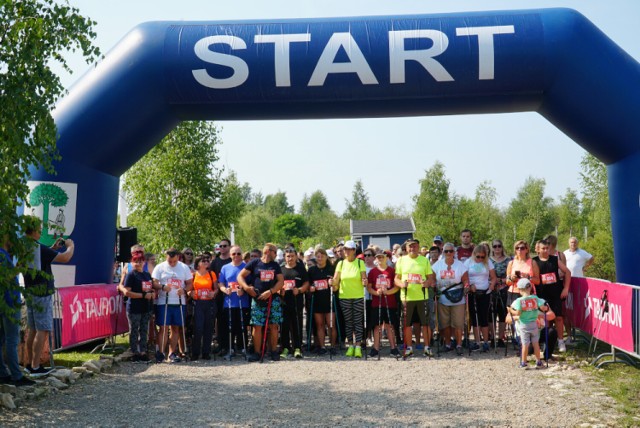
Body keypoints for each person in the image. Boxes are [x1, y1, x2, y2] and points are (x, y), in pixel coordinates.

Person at [23, 216, 74, 377]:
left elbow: (41, 257)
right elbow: (65, 257)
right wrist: (71, 246)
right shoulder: (39, 247)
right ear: (34, 230)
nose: (41, 231)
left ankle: (29, 365)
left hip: (30, 290)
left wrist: (51, 248)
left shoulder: (25, 246)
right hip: (42, 292)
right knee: (43, 329)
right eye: (39, 229)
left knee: (32, 329)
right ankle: (36, 366)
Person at [237, 243, 284, 362]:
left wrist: (271, 291)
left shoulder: (275, 265)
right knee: (257, 326)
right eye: (275, 252)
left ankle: (273, 351)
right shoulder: (255, 263)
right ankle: (257, 353)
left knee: (274, 326)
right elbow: (240, 276)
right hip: (257, 299)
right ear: (269, 251)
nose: (276, 254)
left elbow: (281, 281)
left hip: (272, 299)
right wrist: (247, 288)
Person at [0, 235, 35, 386]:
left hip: (6, 301)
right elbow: (6, 276)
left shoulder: (4, 254)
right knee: (12, 340)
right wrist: (19, 268)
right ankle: (16, 375)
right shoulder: (2, 254)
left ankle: (3, 372)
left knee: (3, 339)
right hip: (9, 302)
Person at [394, 238, 436, 357]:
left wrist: (427, 283)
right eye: (410, 247)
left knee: (425, 323)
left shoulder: (424, 260)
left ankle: (427, 347)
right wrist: (402, 284)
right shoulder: (401, 261)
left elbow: (430, 278)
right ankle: (409, 347)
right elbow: (396, 278)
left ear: (418, 247)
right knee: (407, 324)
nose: (412, 248)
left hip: (422, 296)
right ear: (406, 248)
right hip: (407, 297)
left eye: (415, 246)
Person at [152, 247, 193, 363]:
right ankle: (160, 352)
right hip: (164, 301)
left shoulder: (184, 267)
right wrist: (162, 287)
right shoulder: (160, 267)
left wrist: (184, 291)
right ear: (166, 257)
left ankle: (171, 353)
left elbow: (190, 283)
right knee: (163, 328)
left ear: (178, 258)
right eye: (170, 261)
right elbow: (154, 282)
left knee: (175, 328)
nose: (172, 263)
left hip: (179, 301)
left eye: (174, 261)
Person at [533, 239, 571, 353]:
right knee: (546, 319)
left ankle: (560, 341)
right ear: (538, 249)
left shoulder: (555, 259)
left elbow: (567, 272)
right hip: (542, 294)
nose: (545, 251)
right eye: (543, 248)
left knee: (559, 318)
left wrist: (566, 288)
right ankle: (547, 342)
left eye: (547, 248)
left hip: (556, 293)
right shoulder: (534, 261)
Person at [432, 242, 469, 356]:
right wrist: (433, 287)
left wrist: (467, 287)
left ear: (454, 252)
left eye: (451, 251)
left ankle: (458, 345)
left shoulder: (460, 265)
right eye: (446, 251)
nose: (448, 253)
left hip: (458, 298)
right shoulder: (437, 265)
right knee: (445, 323)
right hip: (443, 298)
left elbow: (465, 280)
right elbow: (432, 279)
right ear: (442, 252)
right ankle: (447, 344)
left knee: (458, 323)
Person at [332, 240, 367, 358]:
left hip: (357, 296)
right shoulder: (340, 264)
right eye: (345, 249)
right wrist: (332, 282)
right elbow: (336, 279)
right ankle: (350, 345)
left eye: (348, 249)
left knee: (358, 322)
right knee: (348, 322)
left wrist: (364, 281)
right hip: (344, 296)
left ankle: (358, 346)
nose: (346, 251)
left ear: (353, 251)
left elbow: (363, 277)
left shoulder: (359, 263)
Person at [509, 278, 548, 369]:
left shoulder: (519, 301)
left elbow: (518, 313)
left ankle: (523, 362)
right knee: (536, 343)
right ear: (530, 288)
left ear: (519, 290)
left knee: (525, 344)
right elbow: (543, 307)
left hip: (524, 325)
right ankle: (538, 361)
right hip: (534, 324)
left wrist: (510, 310)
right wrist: (545, 307)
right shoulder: (535, 298)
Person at [123, 250, 155, 362]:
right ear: (132, 262)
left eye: (140, 261)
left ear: (144, 262)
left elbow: (150, 288)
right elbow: (127, 292)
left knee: (144, 330)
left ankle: (143, 351)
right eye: (135, 261)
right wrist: (143, 295)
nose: (138, 263)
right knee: (134, 330)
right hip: (134, 308)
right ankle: (134, 352)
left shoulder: (147, 275)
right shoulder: (131, 275)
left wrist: (152, 293)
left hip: (146, 307)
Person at [366, 250, 400, 357]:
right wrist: (376, 293)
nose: (380, 259)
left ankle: (393, 348)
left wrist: (388, 292)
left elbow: (396, 287)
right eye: (378, 257)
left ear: (386, 258)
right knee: (377, 326)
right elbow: (369, 287)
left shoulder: (392, 271)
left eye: (382, 257)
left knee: (390, 325)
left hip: (390, 302)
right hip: (377, 302)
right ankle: (375, 348)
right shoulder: (372, 272)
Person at [218, 246, 250, 357]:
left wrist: (244, 290)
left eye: (238, 254)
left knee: (242, 326)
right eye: (234, 254)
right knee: (229, 327)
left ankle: (242, 347)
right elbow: (221, 283)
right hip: (229, 302)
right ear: (230, 255)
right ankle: (230, 348)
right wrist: (224, 290)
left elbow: (250, 283)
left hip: (242, 301)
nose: (236, 256)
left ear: (242, 255)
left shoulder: (246, 267)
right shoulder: (225, 268)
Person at [465, 245, 497, 352]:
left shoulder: (488, 262)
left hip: (485, 292)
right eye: (478, 257)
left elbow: (493, 277)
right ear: (474, 254)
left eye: (482, 257)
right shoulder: (468, 262)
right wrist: (469, 286)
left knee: (484, 317)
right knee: (475, 317)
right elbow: (464, 278)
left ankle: (486, 342)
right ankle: (477, 341)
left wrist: (492, 285)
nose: (480, 259)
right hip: (472, 293)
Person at [279, 247, 309, 358]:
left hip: (297, 302)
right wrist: (279, 291)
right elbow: (276, 284)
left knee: (297, 325)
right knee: (284, 326)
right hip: (284, 302)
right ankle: (285, 347)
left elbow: (306, 283)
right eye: (288, 256)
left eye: (292, 256)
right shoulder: (281, 269)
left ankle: (297, 347)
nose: (290, 258)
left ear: (296, 256)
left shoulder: (300, 269)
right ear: (284, 257)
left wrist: (300, 290)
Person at [307, 248, 337, 354]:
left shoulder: (331, 269)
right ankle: (322, 346)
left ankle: (333, 346)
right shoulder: (312, 270)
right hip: (317, 300)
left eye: (322, 256)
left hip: (329, 300)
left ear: (326, 257)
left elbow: (337, 283)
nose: (320, 258)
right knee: (319, 325)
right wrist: (311, 288)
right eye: (318, 256)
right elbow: (308, 284)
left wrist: (332, 283)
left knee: (331, 324)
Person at [188, 256, 217, 360]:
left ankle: (206, 352)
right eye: (203, 261)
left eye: (207, 260)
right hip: (198, 303)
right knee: (198, 328)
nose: (206, 262)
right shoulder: (193, 275)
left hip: (209, 303)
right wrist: (191, 293)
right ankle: (195, 352)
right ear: (198, 263)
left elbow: (216, 288)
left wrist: (213, 293)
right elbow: (188, 289)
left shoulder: (211, 274)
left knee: (208, 328)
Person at [490, 239, 511, 347]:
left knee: (502, 314)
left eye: (499, 246)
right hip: (491, 289)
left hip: (504, 288)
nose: (497, 248)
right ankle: (492, 337)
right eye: (495, 246)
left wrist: (502, 280)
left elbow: (511, 274)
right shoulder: (488, 260)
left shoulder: (508, 260)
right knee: (491, 314)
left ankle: (501, 338)